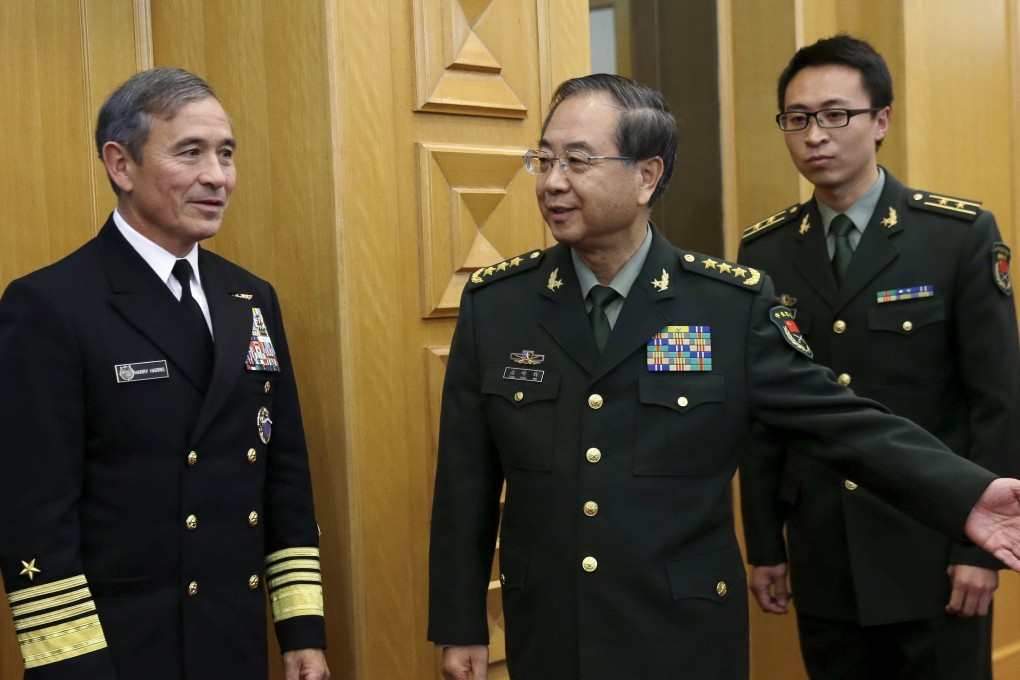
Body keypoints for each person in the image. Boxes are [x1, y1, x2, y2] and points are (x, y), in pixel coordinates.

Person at [427, 72, 1020, 680]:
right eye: (544, 160)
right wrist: (460, 620)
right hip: (551, 631)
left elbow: (843, 423)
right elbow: (465, 479)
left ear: (646, 176)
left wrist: (966, 495)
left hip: (683, 635)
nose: (553, 182)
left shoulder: (726, 306)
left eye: (578, 161)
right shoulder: (498, 304)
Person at [0, 68, 329, 680]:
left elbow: (284, 475)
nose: (217, 176)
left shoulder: (249, 297)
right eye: (191, 152)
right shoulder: (52, 304)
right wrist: (72, 668)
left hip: (233, 641)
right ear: (120, 166)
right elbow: (34, 514)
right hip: (122, 651)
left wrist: (301, 630)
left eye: (226, 154)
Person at [738, 34, 1020, 679]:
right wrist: (764, 543)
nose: (816, 136)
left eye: (837, 115)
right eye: (798, 119)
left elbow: (997, 402)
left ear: (881, 121)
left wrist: (976, 549)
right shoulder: (766, 253)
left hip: (932, 551)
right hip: (823, 552)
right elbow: (763, 420)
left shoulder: (955, 236)